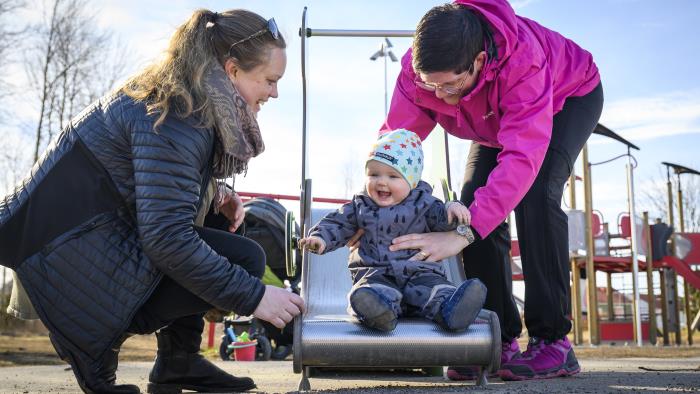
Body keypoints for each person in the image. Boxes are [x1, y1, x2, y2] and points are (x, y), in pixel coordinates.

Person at [0, 8, 304, 394]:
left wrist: (215, 193)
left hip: (90, 236)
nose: (274, 93)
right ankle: (93, 339)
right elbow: (167, 237)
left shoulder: (189, 99)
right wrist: (255, 295)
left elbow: (146, 184)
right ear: (231, 71)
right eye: (270, 80)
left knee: (220, 222)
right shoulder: (179, 113)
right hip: (62, 252)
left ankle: (179, 362)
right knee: (245, 261)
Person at [381, 0, 603, 381]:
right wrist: (379, 199)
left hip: (565, 98)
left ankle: (553, 342)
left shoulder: (524, 63)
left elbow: (521, 159)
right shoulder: (416, 74)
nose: (443, 97)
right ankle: (496, 336)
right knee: (470, 205)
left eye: (451, 85)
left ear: (480, 61)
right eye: (432, 86)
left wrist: (463, 235)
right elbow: (398, 146)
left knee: (534, 197)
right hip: (493, 118)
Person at [299, 129, 487, 332]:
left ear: (412, 181)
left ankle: (454, 309)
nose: (381, 181)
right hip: (377, 273)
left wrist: (453, 208)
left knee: (437, 290)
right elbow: (337, 223)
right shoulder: (360, 205)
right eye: (373, 174)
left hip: (420, 272)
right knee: (371, 292)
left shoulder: (426, 204)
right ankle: (377, 313)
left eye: (393, 176)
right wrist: (320, 238)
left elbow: (443, 220)